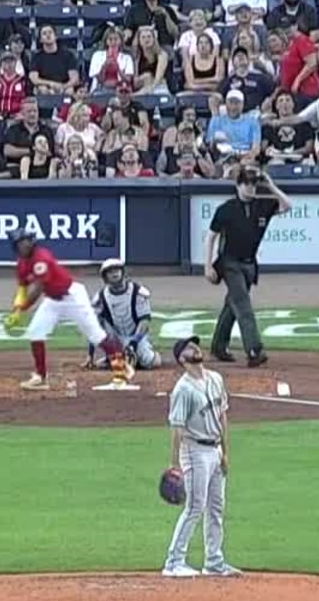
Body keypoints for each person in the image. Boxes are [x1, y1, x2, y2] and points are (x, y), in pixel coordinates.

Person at [3, 228, 131, 390]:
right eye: (21, 243)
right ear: (15, 246)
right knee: (35, 333)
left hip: (72, 296)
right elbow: (22, 289)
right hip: (53, 300)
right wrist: (16, 311)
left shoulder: (41, 258)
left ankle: (122, 372)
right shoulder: (22, 263)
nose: (25, 245)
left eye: (27, 240)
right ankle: (41, 378)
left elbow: (38, 289)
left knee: (96, 335)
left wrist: (23, 309)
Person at [160, 334, 239, 578]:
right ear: (182, 359)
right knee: (195, 507)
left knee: (216, 508)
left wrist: (225, 452)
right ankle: (174, 562)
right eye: (188, 347)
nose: (194, 347)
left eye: (195, 344)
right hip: (194, 452)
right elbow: (177, 427)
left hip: (214, 450)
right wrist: (175, 465)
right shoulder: (183, 389)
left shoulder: (216, 379)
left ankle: (214, 561)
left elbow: (223, 416)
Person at [202, 164, 293, 366]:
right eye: (247, 183)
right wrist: (207, 265)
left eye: (253, 183)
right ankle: (254, 350)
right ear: (238, 185)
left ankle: (218, 347)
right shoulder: (226, 209)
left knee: (232, 305)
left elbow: (287, 205)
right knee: (243, 305)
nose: (251, 188)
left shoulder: (262, 205)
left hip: (249, 264)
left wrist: (270, 185)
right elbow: (210, 237)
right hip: (229, 263)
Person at [85, 258, 162, 370]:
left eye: (117, 270)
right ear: (105, 277)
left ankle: (144, 353)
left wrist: (134, 342)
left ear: (123, 272)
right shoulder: (100, 298)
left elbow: (144, 321)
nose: (114, 273)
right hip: (116, 338)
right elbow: (94, 326)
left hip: (137, 336)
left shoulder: (137, 292)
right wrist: (90, 355)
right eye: (110, 272)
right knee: (112, 365)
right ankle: (113, 356)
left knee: (151, 363)